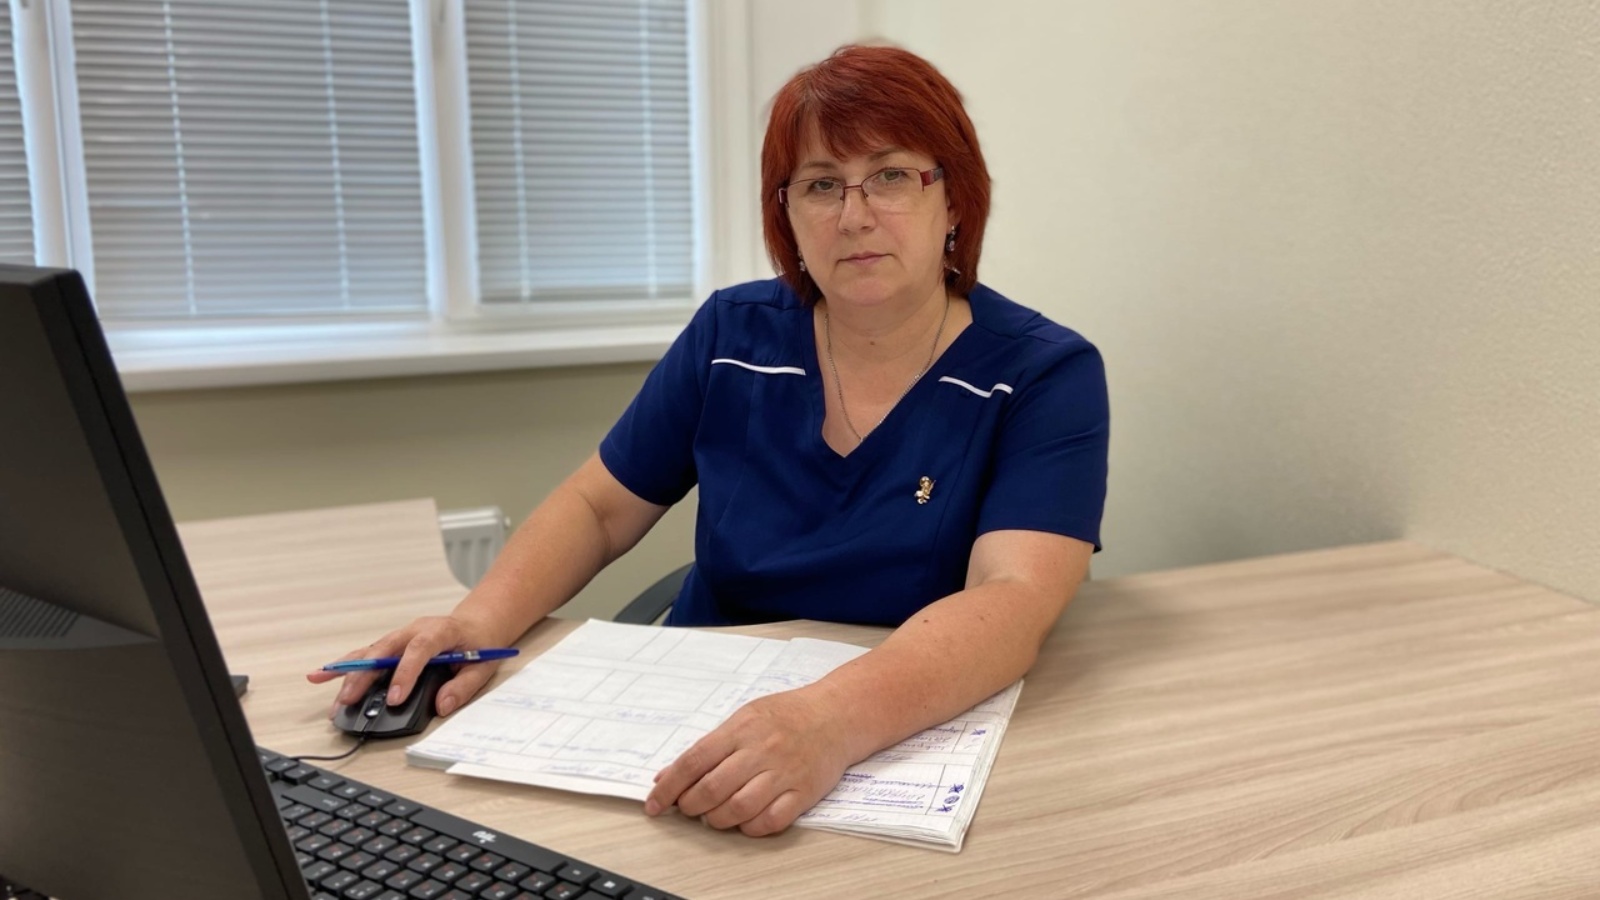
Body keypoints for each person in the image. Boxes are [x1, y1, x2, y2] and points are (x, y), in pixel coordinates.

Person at [308, 44, 1108, 837]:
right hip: (694, 712)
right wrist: (477, 622)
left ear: (955, 198)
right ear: (786, 214)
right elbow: (598, 508)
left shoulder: (1042, 374)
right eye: (821, 184)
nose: (855, 215)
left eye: (892, 176)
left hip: (896, 728)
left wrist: (828, 721)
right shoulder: (733, 334)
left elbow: (1012, 598)